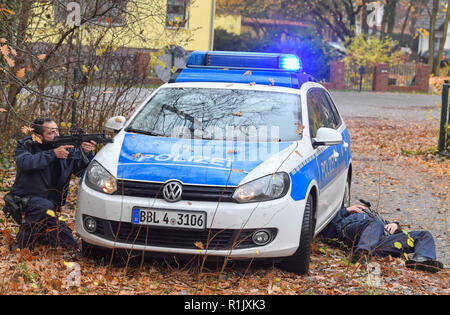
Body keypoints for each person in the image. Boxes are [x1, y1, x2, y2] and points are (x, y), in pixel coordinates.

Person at [6, 117, 96, 251]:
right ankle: (22, 245)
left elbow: (81, 171)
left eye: (57, 131)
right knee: (43, 206)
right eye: (51, 133)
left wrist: (87, 153)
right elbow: (25, 163)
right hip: (25, 200)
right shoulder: (27, 145)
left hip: (50, 207)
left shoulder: (65, 148)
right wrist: (53, 154)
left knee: (69, 243)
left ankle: (41, 233)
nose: (56, 135)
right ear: (38, 135)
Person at [320, 205, 444, 273]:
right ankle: (362, 254)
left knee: (424, 235)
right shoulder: (346, 215)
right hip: (352, 233)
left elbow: (393, 231)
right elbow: (328, 233)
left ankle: (421, 260)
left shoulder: (378, 220)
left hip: (379, 242)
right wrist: (345, 211)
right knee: (375, 223)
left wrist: (396, 226)